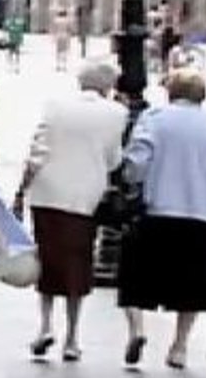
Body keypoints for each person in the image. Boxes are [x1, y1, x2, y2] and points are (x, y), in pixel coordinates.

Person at [14, 61, 128, 362]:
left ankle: (45, 326)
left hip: (48, 192)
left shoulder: (55, 107)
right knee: (78, 263)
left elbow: (37, 151)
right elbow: (114, 160)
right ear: (109, 85)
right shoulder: (116, 113)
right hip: (84, 197)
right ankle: (72, 337)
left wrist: (22, 189)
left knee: (48, 260)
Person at [117, 68, 206, 370]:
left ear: (171, 91)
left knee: (134, 275)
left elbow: (138, 161)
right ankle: (179, 346)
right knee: (192, 285)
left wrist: (131, 182)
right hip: (199, 212)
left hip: (156, 209)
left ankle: (137, 329)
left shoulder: (154, 118)